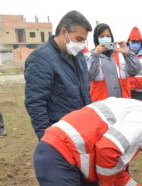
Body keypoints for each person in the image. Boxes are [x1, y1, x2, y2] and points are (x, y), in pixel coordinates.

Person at [24, 10, 92, 140]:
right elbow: (36, 103)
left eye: (84, 41)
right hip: (59, 131)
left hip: (80, 129)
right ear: (64, 32)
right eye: (79, 39)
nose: (81, 45)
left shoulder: (78, 57)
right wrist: (47, 139)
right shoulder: (41, 58)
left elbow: (86, 93)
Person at [87, 23, 141, 102]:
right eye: (102, 36)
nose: (105, 39)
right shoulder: (90, 55)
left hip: (122, 103)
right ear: (96, 38)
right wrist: (96, 54)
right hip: (101, 105)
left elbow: (135, 70)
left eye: (108, 36)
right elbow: (89, 75)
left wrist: (127, 53)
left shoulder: (120, 53)